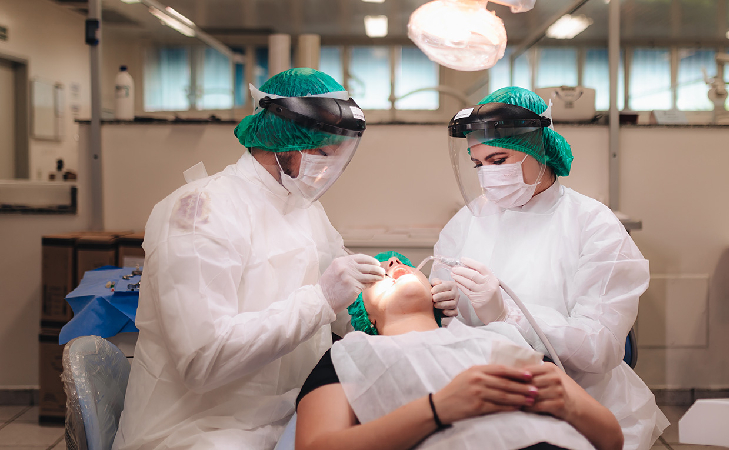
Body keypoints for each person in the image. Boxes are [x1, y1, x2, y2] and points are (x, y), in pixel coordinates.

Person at [113, 69, 395, 450]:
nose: (330, 168)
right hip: (197, 432)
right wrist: (320, 299)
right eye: (323, 152)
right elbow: (203, 361)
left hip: (283, 419)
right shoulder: (199, 213)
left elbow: (345, 306)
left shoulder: (304, 208)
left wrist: (389, 301)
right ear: (283, 140)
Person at [431, 87, 668, 450]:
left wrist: (508, 315)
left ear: (537, 148)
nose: (486, 176)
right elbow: (445, 303)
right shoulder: (469, 220)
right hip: (485, 400)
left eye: (498, 160)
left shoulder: (593, 225)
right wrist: (442, 305)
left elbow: (600, 348)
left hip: (579, 408)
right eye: (478, 164)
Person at [295, 252, 624, 450]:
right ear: (366, 315)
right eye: (377, 272)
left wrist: (568, 404)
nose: (393, 262)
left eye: (401, 263)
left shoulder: (499, 338)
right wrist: (439, 409)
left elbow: (612, 440)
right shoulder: (350, 354)